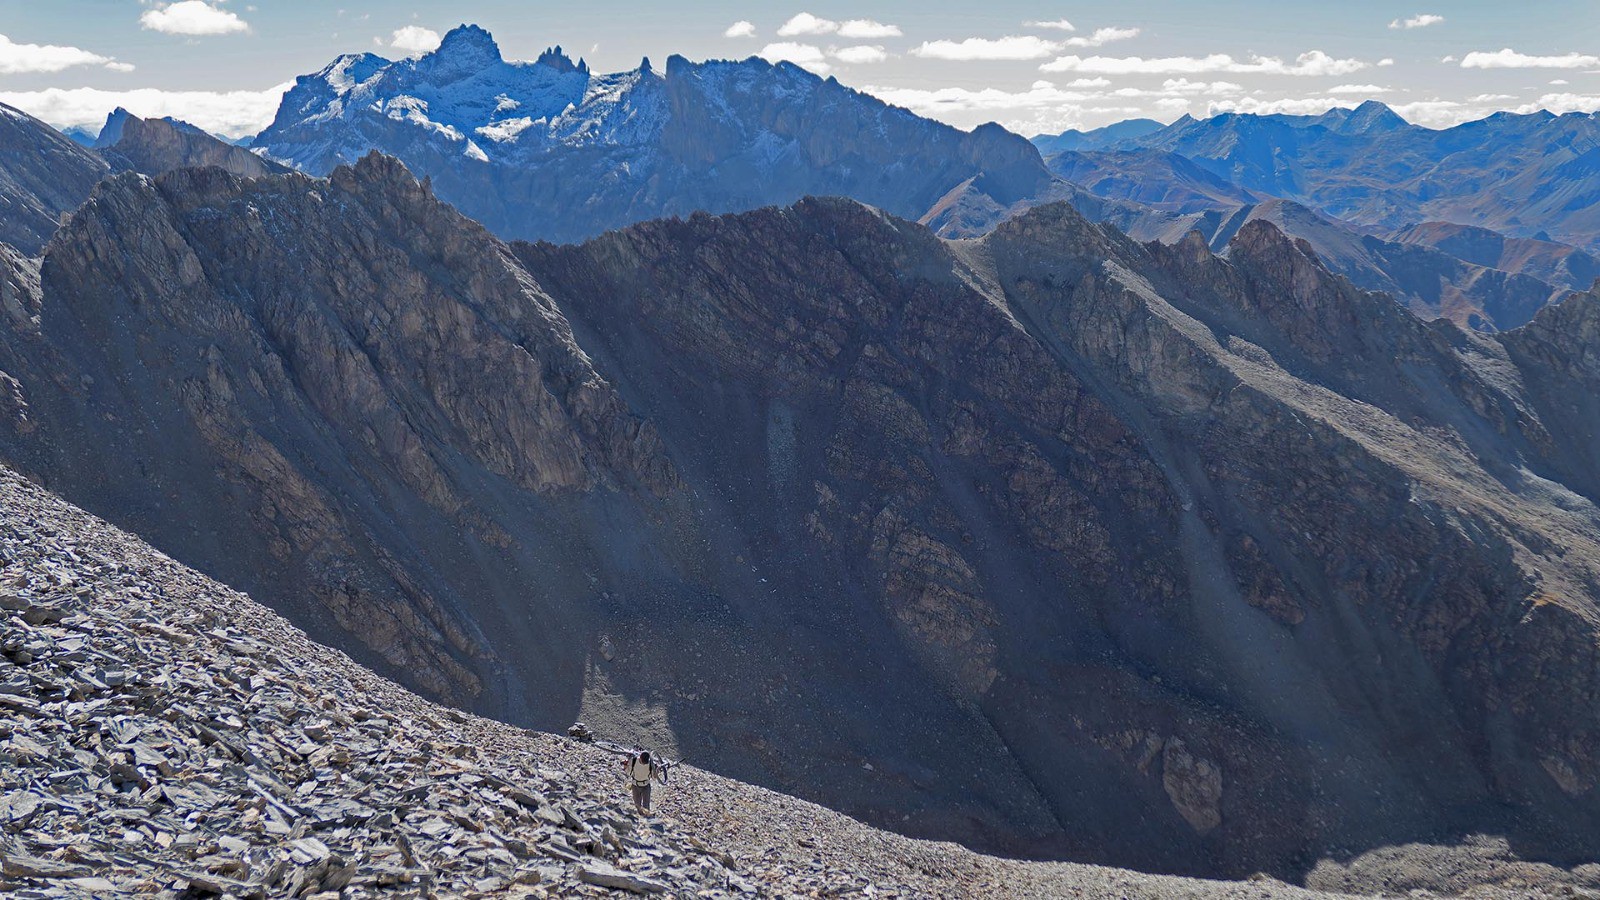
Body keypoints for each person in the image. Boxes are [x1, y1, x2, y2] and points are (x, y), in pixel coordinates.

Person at [624, 749, 663, 814]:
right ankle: (641, 819)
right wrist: (625, 766)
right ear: (640, 758)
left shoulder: (651, 764)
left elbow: (653, 778)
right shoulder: (633, 761)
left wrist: (656, 771)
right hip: (635, 786)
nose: (645, 763)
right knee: (637, 805)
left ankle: (646, 820)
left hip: (646, 786)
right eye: (643, 761)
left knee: (646, 805)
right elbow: (628, 772)